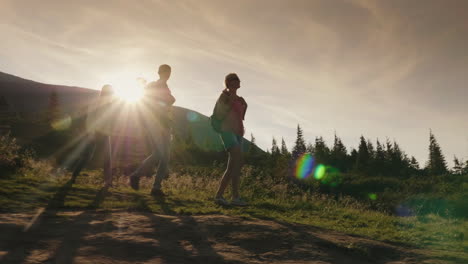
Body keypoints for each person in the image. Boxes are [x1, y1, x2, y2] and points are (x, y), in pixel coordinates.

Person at [130, 64, 175, 196]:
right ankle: (137, 175)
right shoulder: (155, 85)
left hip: (165, 123)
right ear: (159, 72)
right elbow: (151, 103)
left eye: (169, 72)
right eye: (165, 71)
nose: (168, 74)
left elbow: (167, 103)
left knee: (164, 156)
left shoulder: (166, 87)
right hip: (156, 123)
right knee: (160, 154)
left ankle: (156, 187)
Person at [212, 73, 248, 206]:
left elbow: (241, 116)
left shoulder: (241, 100)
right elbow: (219, 113)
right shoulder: (224, 96)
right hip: (226, 131)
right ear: (228, 82)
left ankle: (223, 197)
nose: (236, 81)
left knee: (234, 165)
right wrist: (230, 99)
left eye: (237, 79)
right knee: (236, 162)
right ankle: (233, 197)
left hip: (238, 134)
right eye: (233, 79)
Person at [72, 84, 115, 187]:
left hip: (105, 134)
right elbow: (90, 119)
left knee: (107, 158)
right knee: (87, 157)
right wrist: (91, 133)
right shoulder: (96, 103)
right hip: (94, 133)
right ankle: (74, 176)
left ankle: (108, 182)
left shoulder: (110, 104)